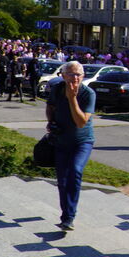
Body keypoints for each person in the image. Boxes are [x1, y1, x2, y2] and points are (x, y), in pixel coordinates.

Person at [46, 61, 96, 232]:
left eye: (79, 75)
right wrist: (51, 122)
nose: (75, 78)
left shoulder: (88, 94)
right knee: (62, 179)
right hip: (61, 141)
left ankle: (70, 216)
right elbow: (50, 106)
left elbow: (81, 122)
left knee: (75, 170)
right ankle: (66, 216)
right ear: (63, 75)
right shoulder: (57, 89)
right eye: (72, 74)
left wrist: (72, 98)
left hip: (82, 141)